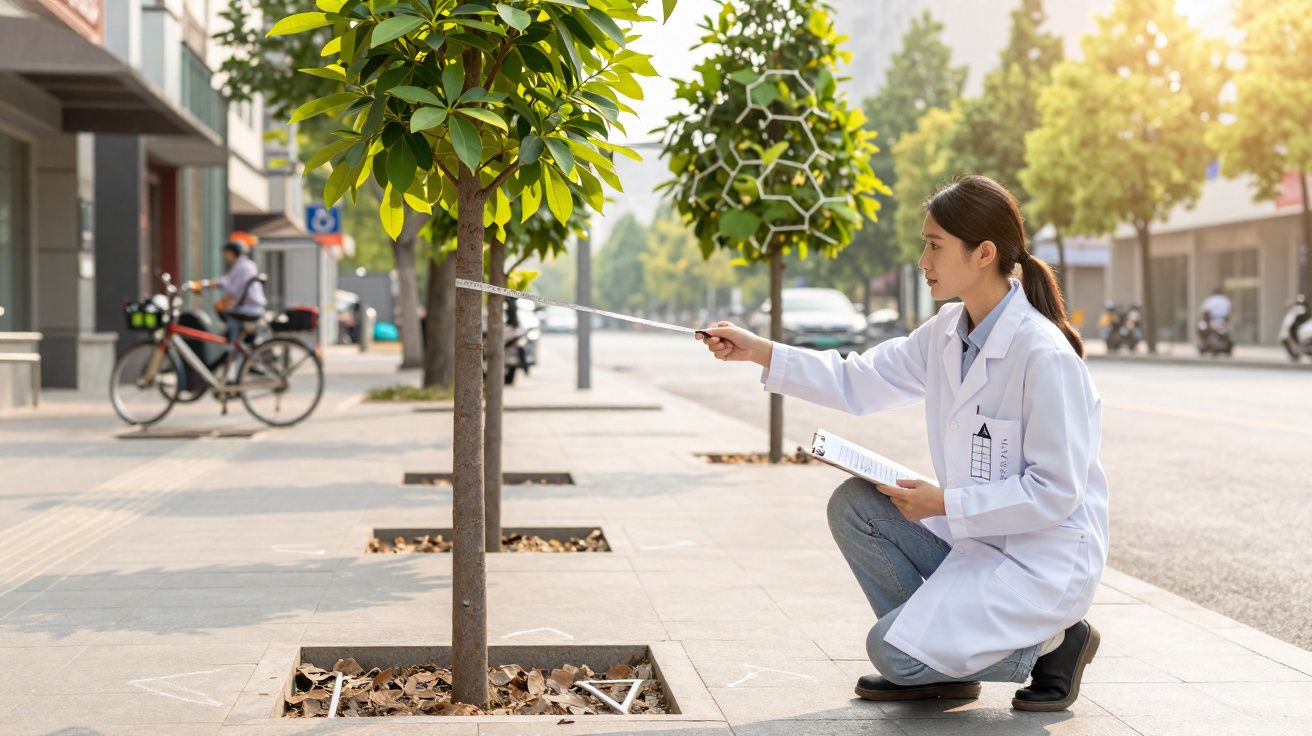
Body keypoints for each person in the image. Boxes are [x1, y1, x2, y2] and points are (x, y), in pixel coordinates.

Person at [696, 175, 1109, 712]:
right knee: (856, 505)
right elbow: (858, 380)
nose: (922, 260)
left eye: (935, 246)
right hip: (978, 537)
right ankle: (938, 663)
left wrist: (946, 503)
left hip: (1039, 561)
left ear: (984, 253)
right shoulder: (946, 331)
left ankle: (1053, 644)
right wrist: (759, 351)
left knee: (889, 653)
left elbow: (1056, 492)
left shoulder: (1043, 354)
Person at [185, 236, 267, 354]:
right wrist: (203, 284)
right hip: (251, 307)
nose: (225, 257)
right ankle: (233, 349)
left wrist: (222, 302)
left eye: (226, 253)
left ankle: (230, 349)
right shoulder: (245, 265)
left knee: (230, 328)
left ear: (232, 252)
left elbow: (233, 290)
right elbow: (226, 282)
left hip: (248, 308)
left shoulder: (243, 267)